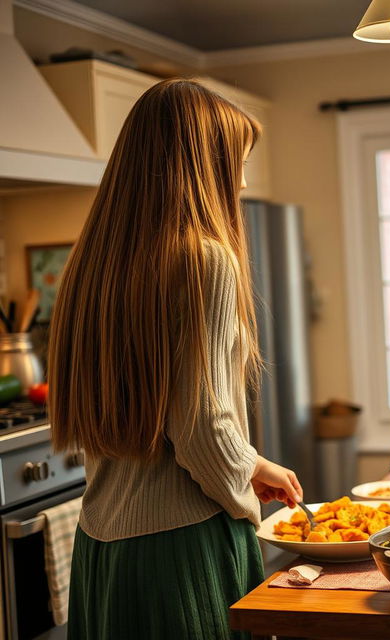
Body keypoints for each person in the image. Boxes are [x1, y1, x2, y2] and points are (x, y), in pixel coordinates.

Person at [48, 79, 303, 640]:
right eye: (235, 161)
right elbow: (203, 427)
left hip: (102, 548)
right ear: (199, 162)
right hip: (182, 547)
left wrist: (252, 464)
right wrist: (244, 488)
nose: (241, 180)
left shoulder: (93, 265)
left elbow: (168, 410)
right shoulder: (204, 259)